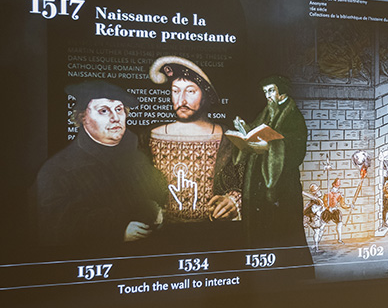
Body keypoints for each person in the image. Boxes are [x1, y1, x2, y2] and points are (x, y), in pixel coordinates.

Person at [36, 81, 166, 247]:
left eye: (119, 109)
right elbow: (56, 224)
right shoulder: (58, 169)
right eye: (104, 111)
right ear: (83, 117)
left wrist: (159, 210)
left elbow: (158, 191)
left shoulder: (137, 158)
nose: (114, 118)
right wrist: (117, 231)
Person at [147, 56, 242, 224]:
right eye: (175, 91)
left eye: (190, 91)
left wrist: (233, 202)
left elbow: (241, 182)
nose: (181, 100)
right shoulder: (151, 136)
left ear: (205, 95)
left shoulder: (228, 137)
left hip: (213, 236)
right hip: (164, 236)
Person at [236, 75, 310, 255]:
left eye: (271, 90)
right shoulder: (267, 112)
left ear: (281, 91)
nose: (267, 95)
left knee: (283, 234)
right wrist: (244, 130)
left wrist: (270, 147)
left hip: (283, 188)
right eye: (265, 92)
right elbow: (256, 132)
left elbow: (296, 148)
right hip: (259, 188)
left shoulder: (293, 116)